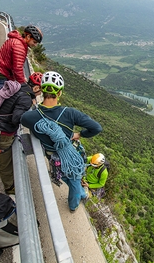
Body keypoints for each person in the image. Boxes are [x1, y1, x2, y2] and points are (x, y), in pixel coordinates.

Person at [21, 71, 102, 213]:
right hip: (70, 155)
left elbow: (23, 119)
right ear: (59, 93)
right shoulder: (70, 113)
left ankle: (81, 193)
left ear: (41, 90)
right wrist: (79, 134)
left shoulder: (31, 117)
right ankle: (73, 205)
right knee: (74, 180)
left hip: (53, 157)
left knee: (71, 179)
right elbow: (96, 128)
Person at [0, 79, 41, 194]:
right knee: (6, 164)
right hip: (3, 134)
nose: (39, 95)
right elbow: (17, 118)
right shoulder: (26, 98)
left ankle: (10, 183)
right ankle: (9, 188)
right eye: (39, 92)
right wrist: (31, 119)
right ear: (36, 88)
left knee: (7, 161)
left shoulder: (18, 88)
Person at [0, 25, 43, 92]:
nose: (35, 45)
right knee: (4, 99)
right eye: (34, 42)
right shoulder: (19, 47)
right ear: (28, 37)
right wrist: (23, 85)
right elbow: (17, 68)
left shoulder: (16, 40)